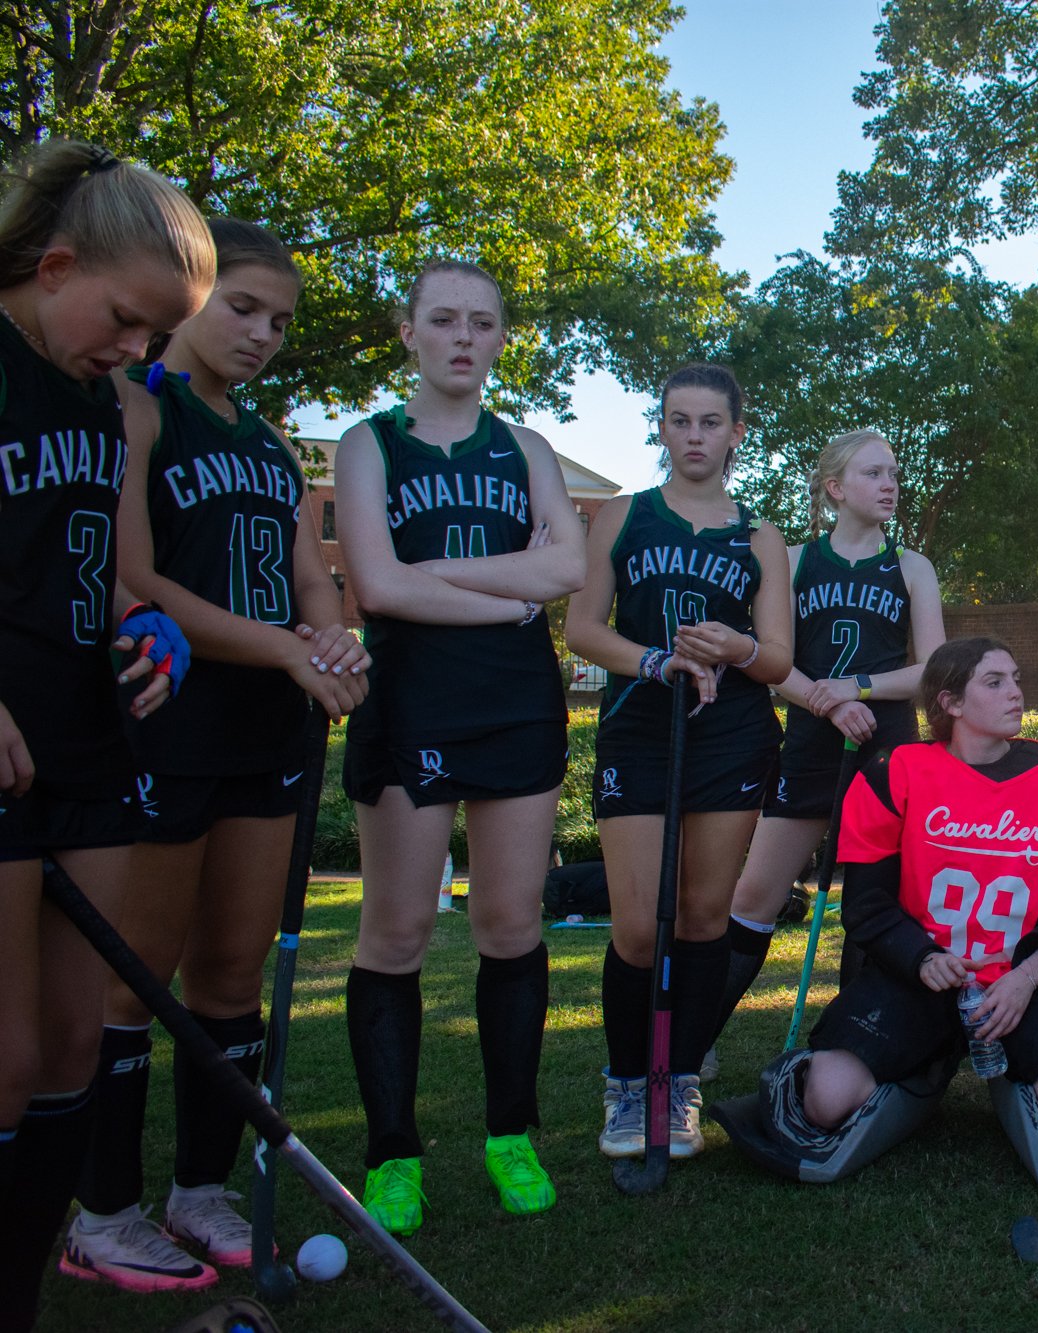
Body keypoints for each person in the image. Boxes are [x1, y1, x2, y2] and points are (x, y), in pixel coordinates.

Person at [60, 220, 367, 1293]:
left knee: (230, 974)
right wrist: (288, 646)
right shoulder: (138, 406)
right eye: (241, 306)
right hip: (168, 716)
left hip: (267, 725)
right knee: (131, 981)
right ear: (189, 295)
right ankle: (101, 1212)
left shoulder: (274, 444)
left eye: (280, 321)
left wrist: (326, 635)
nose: (262, 334)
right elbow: (136, 579)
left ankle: (198, 1189)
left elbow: (308, 577)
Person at [0, 140, 213, 1329]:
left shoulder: (103, 400)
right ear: (57, 264)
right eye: (130, 321)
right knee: (6, 1053)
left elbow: (91, 568)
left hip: (88, 742)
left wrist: (144, 624)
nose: (138, 353)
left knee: (73, 1051)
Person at [334, 260, 585, 1234]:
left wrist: (439, 567)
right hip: (411, 704)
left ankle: (509, 1134)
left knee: (510, 925)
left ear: (499, 338)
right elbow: (377, 589)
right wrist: (509, 597)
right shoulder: (368, 445)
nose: (462, 337)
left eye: (481, 322)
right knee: (394, 934)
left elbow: (567, 565)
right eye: (442, 319)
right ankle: (393, 1154)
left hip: (518, 705)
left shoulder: (524, 444)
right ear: (408, 332)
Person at [568, 363, 792, 1161]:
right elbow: (584, 630)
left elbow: (777, 658)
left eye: (710, 422)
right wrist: (658, 660)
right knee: (637, 926)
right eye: (678, 420)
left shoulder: (759, 534)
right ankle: (628, 1083)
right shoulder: (626, 514)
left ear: (737, 432)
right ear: (661, 427)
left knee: (702, 920)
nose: (694, 436)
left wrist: (737, 646)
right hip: (640, 728)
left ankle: (680, 1078)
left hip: (731, 735)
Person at [798, 638, 1038, 1157]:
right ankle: (924, 1067)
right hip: (919, 974)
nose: (1016, 693)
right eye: (994, 683)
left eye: (1016, 679)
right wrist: (921, 958)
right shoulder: (893, 774)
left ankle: (1019, 1078)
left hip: (1028, 982)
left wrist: (1026, 976)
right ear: (950, 704)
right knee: (824, 1100)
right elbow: (866, 905)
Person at [708, 428, 944, 1063]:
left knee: (872, 907)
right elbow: (770, 660)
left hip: (886, 753)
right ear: (837, 488)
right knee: (752, 899)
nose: (890, 484)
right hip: (812, 744)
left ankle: (856, 1049)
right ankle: (689, 1046)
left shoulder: (912, 567)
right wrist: (827, 702)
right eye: (873, 474)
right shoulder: (792, 561)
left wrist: (858, 689)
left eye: (894, 473)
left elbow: (932, 669)